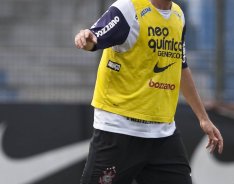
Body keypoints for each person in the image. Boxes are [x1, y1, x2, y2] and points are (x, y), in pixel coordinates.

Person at [74, 0, 223, 183]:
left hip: (162, 133)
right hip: (119, 129)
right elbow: (95, 38)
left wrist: (203, 118)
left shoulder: (178, 15)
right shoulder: (128, 9)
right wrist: (87, 39)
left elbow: (181, 68)